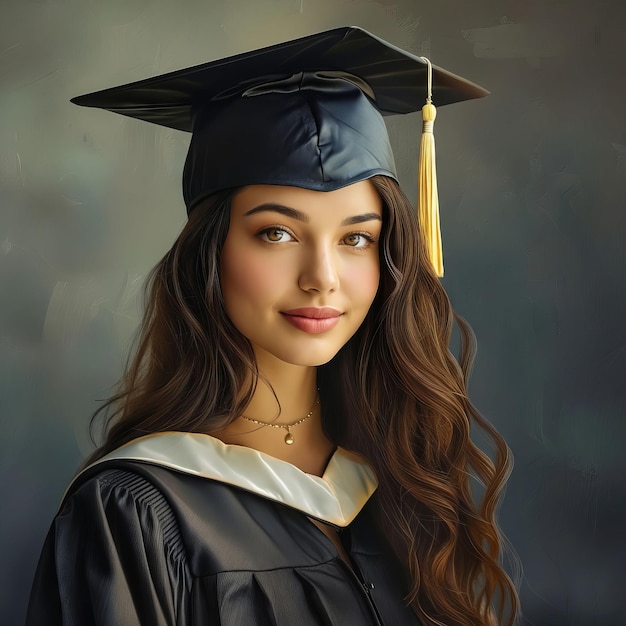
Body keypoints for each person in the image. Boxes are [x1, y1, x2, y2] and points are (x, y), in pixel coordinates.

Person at [26, 26, 519, 626]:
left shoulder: (403, 484)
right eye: (276, 233)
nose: (322, 277)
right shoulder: (136, 511)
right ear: (210, 255)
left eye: (357, 238)